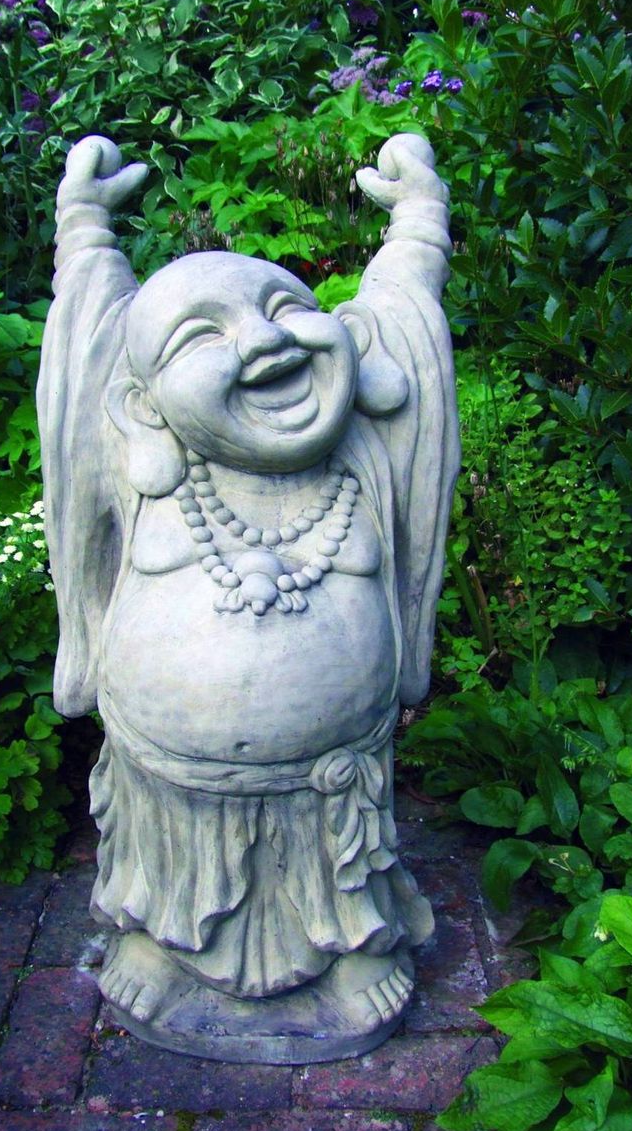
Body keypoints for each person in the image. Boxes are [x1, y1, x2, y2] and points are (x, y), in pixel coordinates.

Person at [37, 134, 458, 1060]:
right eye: (203, 336)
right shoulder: (140, 461)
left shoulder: (361, 447)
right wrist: (84, 226)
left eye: (289, 309)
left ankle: (353, 941)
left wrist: (420, 220)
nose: (267, 341)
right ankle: (161, 938)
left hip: (330, 773)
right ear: (141, 403)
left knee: (340, 853)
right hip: (168, 774)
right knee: (168, 852)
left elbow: (401, 313)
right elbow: (87, 334)